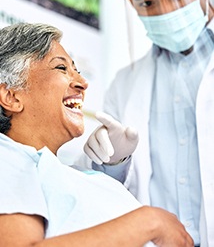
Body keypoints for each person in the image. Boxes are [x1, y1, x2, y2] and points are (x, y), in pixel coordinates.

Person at [0, 22, 194, 247]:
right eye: (61, 68)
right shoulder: (8, 159)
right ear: (11, 96)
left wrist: (112, 165)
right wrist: (150, 222)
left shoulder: (54, 171)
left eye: (78, 71)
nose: (83, 83)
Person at [83, 0, 214, 246]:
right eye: (147, 1)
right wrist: (113, 163)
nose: (166, 9)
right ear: (131, 1)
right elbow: (111, 200)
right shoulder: (123, 85)